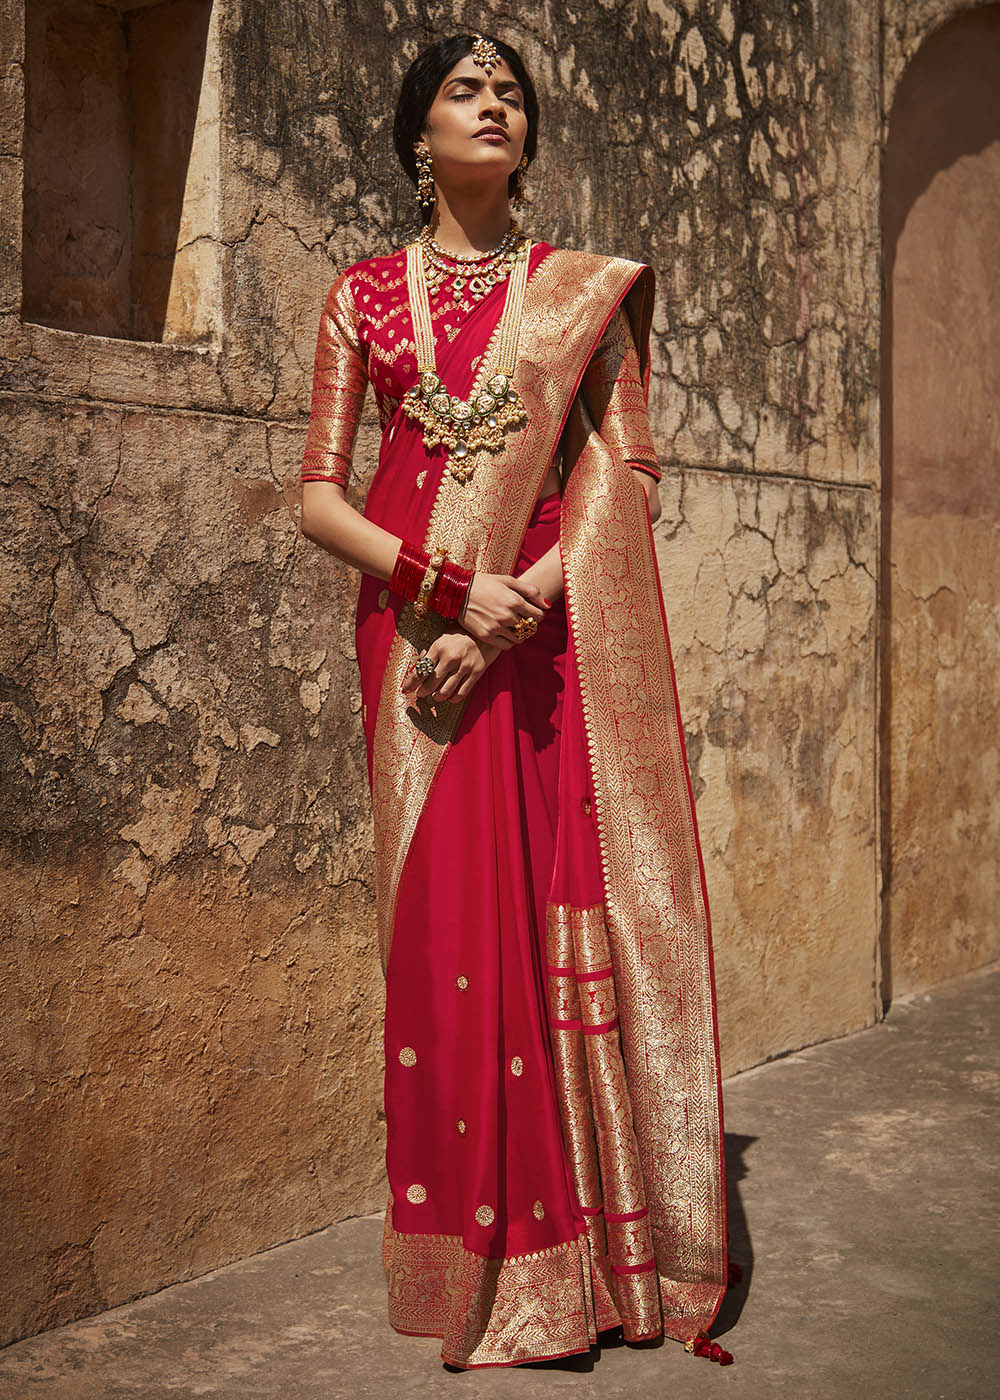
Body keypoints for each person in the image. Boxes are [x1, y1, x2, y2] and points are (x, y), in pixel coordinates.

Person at [299, 31, 733, 1372]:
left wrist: (516, 603)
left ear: (529, 139)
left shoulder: (575, 294)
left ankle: (587, 1269)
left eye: (511, 96)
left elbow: (629, 477)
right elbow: (316, 495)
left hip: (544, 645)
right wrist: (444, 587)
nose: (493, 107)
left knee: (553, 909)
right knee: (441, 939)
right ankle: (476, 1277)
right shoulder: (359, 298)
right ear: (414, 134)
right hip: (417, 646)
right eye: (463, 92)